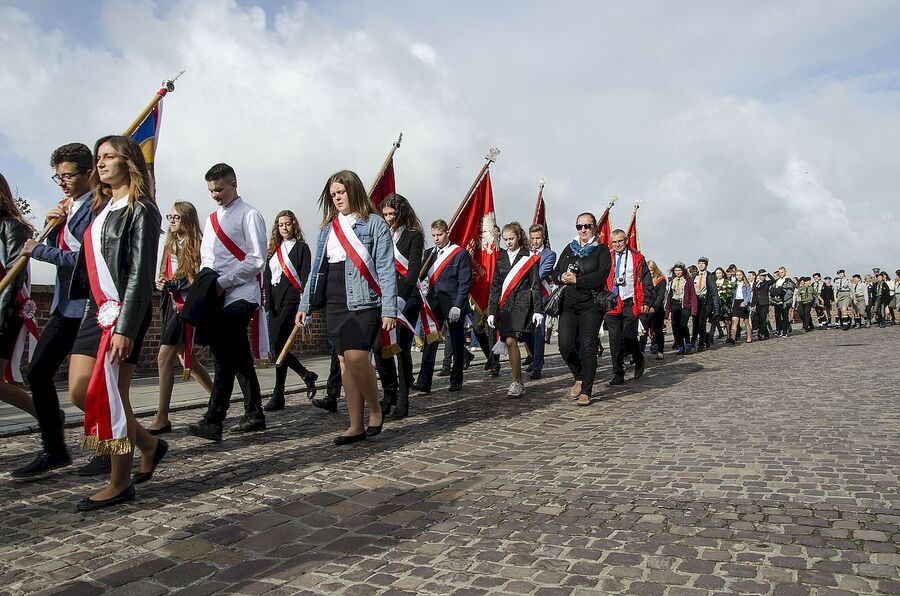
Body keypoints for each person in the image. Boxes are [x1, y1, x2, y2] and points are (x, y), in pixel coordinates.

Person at [66, 135, 163, 510]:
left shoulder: (142, 209)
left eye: (108, 156)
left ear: (129, 161)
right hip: (96, 310)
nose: (101, 163)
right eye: (98, 158)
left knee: (112, 395)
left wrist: (125, 326)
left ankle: (120, 481)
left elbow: (140, 273)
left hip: (124, 313)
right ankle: (149, 444)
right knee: (78, 390)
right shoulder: (101, 208)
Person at [13, 144, 104, 478]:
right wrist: (52, 231)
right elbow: (59, 251)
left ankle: (111, 449)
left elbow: (86, 263)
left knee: (89, 387)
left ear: (88, 171)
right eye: (58, 177)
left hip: (90, 306)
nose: (63, 182)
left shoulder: (98, 207)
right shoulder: (68, 208)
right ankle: (55, 450)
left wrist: (41, 252)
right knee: (38, 372)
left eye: (69, 175)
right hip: (65, 305)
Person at [297, 170, 396, 445]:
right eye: (333, 195)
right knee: (344, 362)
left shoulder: (375, 224)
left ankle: (375, 409)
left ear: (353, 190)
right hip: (336, 300)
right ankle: (355, 424)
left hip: (364, 299)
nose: (337, 198)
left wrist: (389, 308)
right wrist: (305, 303)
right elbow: (317, 270)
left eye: (340, 192)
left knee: (356, 357)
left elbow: (386, 269)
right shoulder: (327, 229)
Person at [187, 163, 269, 441]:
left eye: (219, 189)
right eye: (211, 190)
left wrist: (224, 282)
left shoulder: (250, 215)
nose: (215, 195)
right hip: (217, 294)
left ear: (234, 184)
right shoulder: (210, 220)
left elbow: (256, 260)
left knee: (223, 354)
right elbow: (207, 258)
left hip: (241, 294)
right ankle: (254, 412)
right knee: (238, 355)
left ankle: (214, 419)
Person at [149, 202, 213, 434]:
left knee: (163, 357)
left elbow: (200, 276)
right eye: (170, 217)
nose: (172, 221)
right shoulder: (169, 245)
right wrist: (160, 282)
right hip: (169, 305)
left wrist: (179, 282)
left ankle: (162, 416)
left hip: (184, 307)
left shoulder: (197, 244)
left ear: (187, 219)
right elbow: (164, 273)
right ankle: (218, 400)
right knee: (188, 360)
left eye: (176, 217)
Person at [551, 212, 610, 406]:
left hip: (591, 305)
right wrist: (562, 277)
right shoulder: (570, 247)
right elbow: (556, 271)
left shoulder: (601, 250)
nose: (583, 230)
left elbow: (602, 276)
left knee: (588, 346)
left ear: (594, 228)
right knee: (565, 345)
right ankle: (579, 375)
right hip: (568, 304)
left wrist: (578, 280)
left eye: (587, 226)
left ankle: (586, 391)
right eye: (579, 226)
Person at [262, 209, 317, 412]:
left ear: (294, 225)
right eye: (281, 224)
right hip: (275, 303)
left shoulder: (302, 248)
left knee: (279, 347)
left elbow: (305, 278)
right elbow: (267, 280)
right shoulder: (273, 251)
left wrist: (306, 307)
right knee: (278, 348)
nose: (284, 228)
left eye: (288, 224)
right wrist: (267, 306)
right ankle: (305, 375)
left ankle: (278, 394)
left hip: (292, 302)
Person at [378, 193, 424, 419]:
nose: (389, 219)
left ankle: (403, 399)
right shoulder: (381, 233)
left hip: (407, 298)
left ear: (402, 212)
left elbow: (413, 269)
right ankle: (389, 393)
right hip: (384, 297)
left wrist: (402, 298)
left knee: (402, 349)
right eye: (385, 214)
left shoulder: (414, 235)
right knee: (381, 347)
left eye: (393, 214)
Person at [413, 219, 472, 393]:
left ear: (447, 233)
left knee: (456, 341)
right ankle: (424, 381)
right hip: (434, 302)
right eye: (434, 236)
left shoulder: (459, 253)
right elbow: (421, 277)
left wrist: (459, 305)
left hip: (453, 303)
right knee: (430, 341)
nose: (436, 239)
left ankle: (456, 379)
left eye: (439, 235)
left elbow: (465, 282)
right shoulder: (429, 254)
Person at [486, 222, 543, 398]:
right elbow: (495, 287)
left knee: (511, 341)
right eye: (505, 239)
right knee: (511, 342)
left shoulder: (528, 258)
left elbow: (535, 286)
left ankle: (517, 382)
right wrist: (491, 311)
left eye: (511, 238)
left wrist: (538, 310)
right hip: (505, 307)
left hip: (522, 305)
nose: (509, 242)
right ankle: (519, 380)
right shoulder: (501, 259)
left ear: (518, 237)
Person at [0, 174, 37, 417]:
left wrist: (1, 316)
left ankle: (47, 414)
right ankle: (48, 415)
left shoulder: (11, 226)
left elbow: (15, 277)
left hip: (5, 310)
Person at [605, 229, 651, 385]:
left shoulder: (637, 258)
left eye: (620, 241)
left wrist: (646, 302)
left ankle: (638, 358)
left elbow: (646, 281)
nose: (617, 244)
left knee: (628, 337)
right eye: (614, 242)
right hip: (612, 302)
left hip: (630, 301)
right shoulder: (607, 257)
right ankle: (618, 372)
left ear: (626, 240)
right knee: (614, 339)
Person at [522, 224, 556, 380]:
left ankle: (537, 365)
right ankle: (534, 356)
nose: (535, 241)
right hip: (523, 297)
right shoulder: (524, 253)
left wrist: (523, 282)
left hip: (539, 297)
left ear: (543, 238)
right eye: (533, 238)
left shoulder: (550, 255)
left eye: (538, 238)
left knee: (538, 332)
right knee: (524, 331)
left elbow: (541, 274)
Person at [665, 262, 698, 354]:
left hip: (685, 306)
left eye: (679, 270)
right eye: (676, 270)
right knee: (675, 326)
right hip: (675, 304)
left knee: (683, 325)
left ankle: (687, 342)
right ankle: (680, 345)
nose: (678, 272)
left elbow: (693, 295)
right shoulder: (672, 281)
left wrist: (694, 310)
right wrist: (667, 310)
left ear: (683, 271)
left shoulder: (688, 281)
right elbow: (669, 296)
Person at [692, 257, 717, 351]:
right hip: (696, 301)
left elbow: (714, 291)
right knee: (695, 322)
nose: (701, 265)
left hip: (706, 301)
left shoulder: (710, 276)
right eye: (699, 263)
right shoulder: (694, 275)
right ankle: (694, 340)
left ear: (706, 265)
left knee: (702, 322)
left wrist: (715, 305)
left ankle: (701, 342)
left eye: (703, 263)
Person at [644, 259, 667, 360]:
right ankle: (640, 351)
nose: (650, 273)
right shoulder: (644, 281)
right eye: (648, 271)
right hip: (646, 308)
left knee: (658, 331)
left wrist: (655, 306)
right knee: (643, 331)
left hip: (657, 309)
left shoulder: (661, 280)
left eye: (652, 270)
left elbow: (660, 296)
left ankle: (660, 351)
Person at [770, 267, 794, 337]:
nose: (781, 274)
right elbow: (773, 290)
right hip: (777, 301)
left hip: (785, 302)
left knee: (784, 317)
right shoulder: (777, 281)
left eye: (782, 272)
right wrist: (774, 299)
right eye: (779, 272)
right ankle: (778, 330)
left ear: (785, 272)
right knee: (777, 316)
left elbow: (790, 292)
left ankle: (785, 332)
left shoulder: (788, 281)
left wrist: (783, 300)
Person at [729, 269, 751, 344]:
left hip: (743, 302)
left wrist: (745, 303)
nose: (738, 276)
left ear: (743, 275)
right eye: (737, 275)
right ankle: (733, 338)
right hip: (736, 302)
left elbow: (748, 296)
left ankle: (749, 337)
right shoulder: (734, 284)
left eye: (740, 275)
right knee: (734, 320)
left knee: (746, 322)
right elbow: (732, 294)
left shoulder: (746, 285)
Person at [753, 269, 773, 340]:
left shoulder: (767, 283)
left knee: (763, 318)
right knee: (760, 319)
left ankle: (760, 333)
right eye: (761, 275)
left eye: (764, 276)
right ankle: (766, 333)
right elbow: (754, 295)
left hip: (765, 303)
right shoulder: (756, 284)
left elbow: (773, 280)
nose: (762, 277)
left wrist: (767, 274)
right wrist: (753, 304)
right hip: (758, 303)